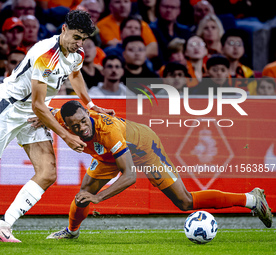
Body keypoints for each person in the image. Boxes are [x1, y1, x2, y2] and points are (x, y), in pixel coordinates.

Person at [0, 10, 114, 243]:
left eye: (83, 39)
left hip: (31, 114)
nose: (79, 43)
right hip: (7, 109)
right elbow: (39, 105)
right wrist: (66, 137)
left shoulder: (76, 52)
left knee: (48, 172)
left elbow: (75, 74)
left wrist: (90, 104)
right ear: (63, 30)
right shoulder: (45, 55)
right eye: (76, 37)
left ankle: (3, 226)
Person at [42, 100, 272, 239]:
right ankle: (71, 232)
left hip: (145, 150)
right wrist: (37, 118)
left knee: (184, 202)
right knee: (81, 196)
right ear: (66, 123)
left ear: (86, 113)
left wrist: (99, 197)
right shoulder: (62, 118)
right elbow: (43, 110)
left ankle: (251, 199)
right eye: (74, 126)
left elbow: (130, 176)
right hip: (106, 156)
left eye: (83, 121)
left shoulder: (108, 131)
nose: (81, 128)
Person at [149, 0, 192, 68]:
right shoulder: (151, 30)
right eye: (165, 6)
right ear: (159, 7)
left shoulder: (185, 31)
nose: (169, 10)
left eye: (173, 7)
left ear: (179, 10)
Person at [221, 28, 256, 95]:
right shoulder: (216, 71)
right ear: (222, 47)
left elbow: (253, 95)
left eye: (239, 44)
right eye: (231, 43)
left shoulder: (248, 72)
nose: (235, 47)